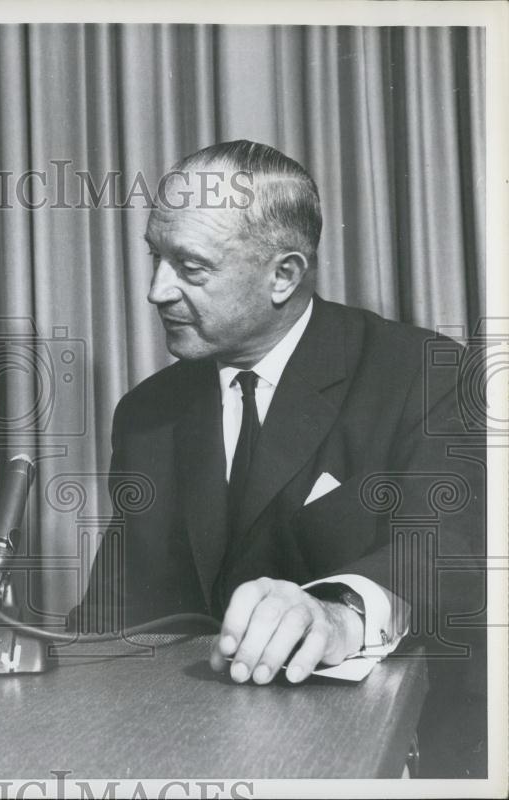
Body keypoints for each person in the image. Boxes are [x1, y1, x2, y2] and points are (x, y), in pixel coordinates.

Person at [75, 140, 487, 777]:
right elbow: (112, 616)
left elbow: (447, 546)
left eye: (190, 266)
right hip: (187, 756)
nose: (157, 290)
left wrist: (336, 613)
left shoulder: (421, 374)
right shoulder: (145, 414)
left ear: (284, 276)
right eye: (155, 257)